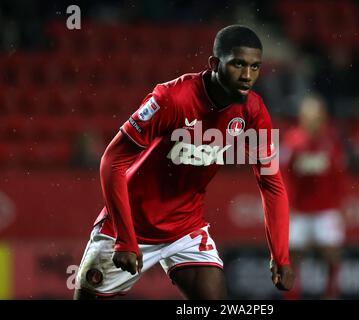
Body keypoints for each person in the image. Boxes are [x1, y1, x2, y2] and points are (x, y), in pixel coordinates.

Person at [74, 25, 294, 300]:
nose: (247, 76)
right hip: (131, 226)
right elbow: (112, 161)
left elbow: (271, 184)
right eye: (238, 64)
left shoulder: (253, 111)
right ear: (214, 63)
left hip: (185, 229)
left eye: (255, 67)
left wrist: (280, 255)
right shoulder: (171, 99)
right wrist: (125, 238)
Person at [281, 95, 347, 299]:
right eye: (309, 116)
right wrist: (285, 205)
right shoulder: (292, 141)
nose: (313, 121)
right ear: (302, 118)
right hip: (299, 209)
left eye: (317, 116)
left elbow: (339, 176)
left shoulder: (331, 141)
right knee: (293, 255)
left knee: (332, 253)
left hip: (325, 208)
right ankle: (292, 295)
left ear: (323, 118)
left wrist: (340, 206)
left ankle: (331, 292)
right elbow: (282, 175)